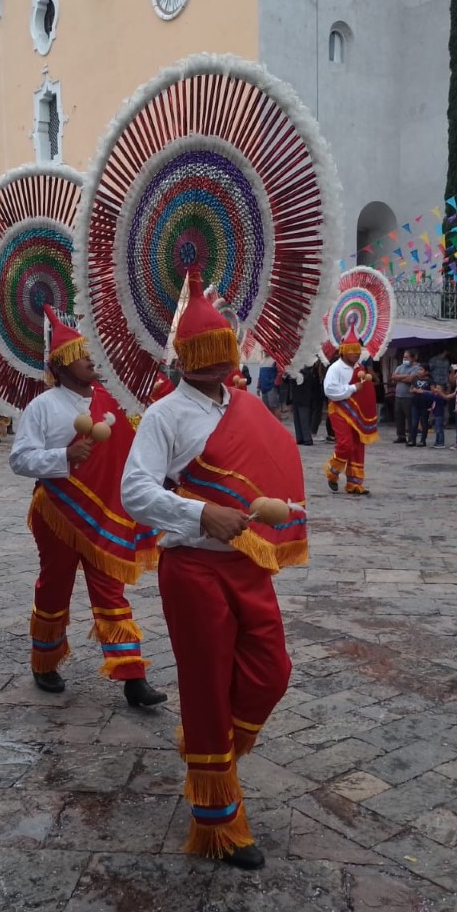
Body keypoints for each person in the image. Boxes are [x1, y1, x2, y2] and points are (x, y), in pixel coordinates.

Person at [121, 271, 304, 871]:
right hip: (194, 570)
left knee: (271, 671)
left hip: (248, 567)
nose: (221, 362)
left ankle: (211, 748)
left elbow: (269, 465)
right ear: (188, 357)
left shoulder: (245, 405)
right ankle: (218, 820)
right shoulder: (164, 417)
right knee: (204, 688)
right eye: (212, 351)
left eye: (226, 350)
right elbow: (134, 493)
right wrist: (200, 513)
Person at [8, 306, 166, 705]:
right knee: (54, 588)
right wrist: (64, 457)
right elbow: (20, 459)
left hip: (104, 514)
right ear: (61, 365)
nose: (90, 359)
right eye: (81, 355)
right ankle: (44, 661)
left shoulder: (113, 399)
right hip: (59, 512)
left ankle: (132, 675)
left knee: (111, 591)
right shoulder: (42, 407)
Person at [324, 325, 378, 496]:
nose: (356, 354)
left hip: (357, 414)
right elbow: (330, 390)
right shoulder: (335, 368)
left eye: (358, 351)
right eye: (352, 351)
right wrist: (353, 388)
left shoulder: (360, 368)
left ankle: (354, 484)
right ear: (344, 351)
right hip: (339, 410)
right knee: (345, 445)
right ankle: (333, 471)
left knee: (357, 447)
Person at [390, 350, 417, 443]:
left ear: (413, 358)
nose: (404, 359)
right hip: (398, 396)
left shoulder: (415, 368)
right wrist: (405, 376)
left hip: (409, 396)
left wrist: (399, 377)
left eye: (407, 357)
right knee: (398, 416)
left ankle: (411, 436)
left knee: (409, 417)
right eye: (404, 357)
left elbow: (411, 379)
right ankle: (401, 436)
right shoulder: (399, 367)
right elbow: (393, 376)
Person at [292, 360, 321, 446]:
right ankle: (299, 437)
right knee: (297, 418)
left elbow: (306, 378)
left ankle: (307, 438)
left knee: (304, 418)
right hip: (296, 395)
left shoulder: (307, 369)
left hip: (304, 395)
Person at [408, 360, 432, 447]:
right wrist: (414, 390)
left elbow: (432, 392)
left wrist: (423, 391)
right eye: (419, 369)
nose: (419, 371)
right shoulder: (415, 379)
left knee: (424, 422)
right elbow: (410, 389)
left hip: (425, 404)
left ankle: (423, 440)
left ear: (426, 371)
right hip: (415, 403)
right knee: (414, 422)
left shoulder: (430, 381)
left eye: (421, 370)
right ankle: (412, 440)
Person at [430, 381, 448, 448]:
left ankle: (441, 442)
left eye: (438, 388)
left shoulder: (441, 396)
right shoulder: (436, 395)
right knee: (436, 429)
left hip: (439, 414)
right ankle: (437, 442)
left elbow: (441, 402)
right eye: (436, 387)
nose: (436, 389)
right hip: (436, 414)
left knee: (439, 429)